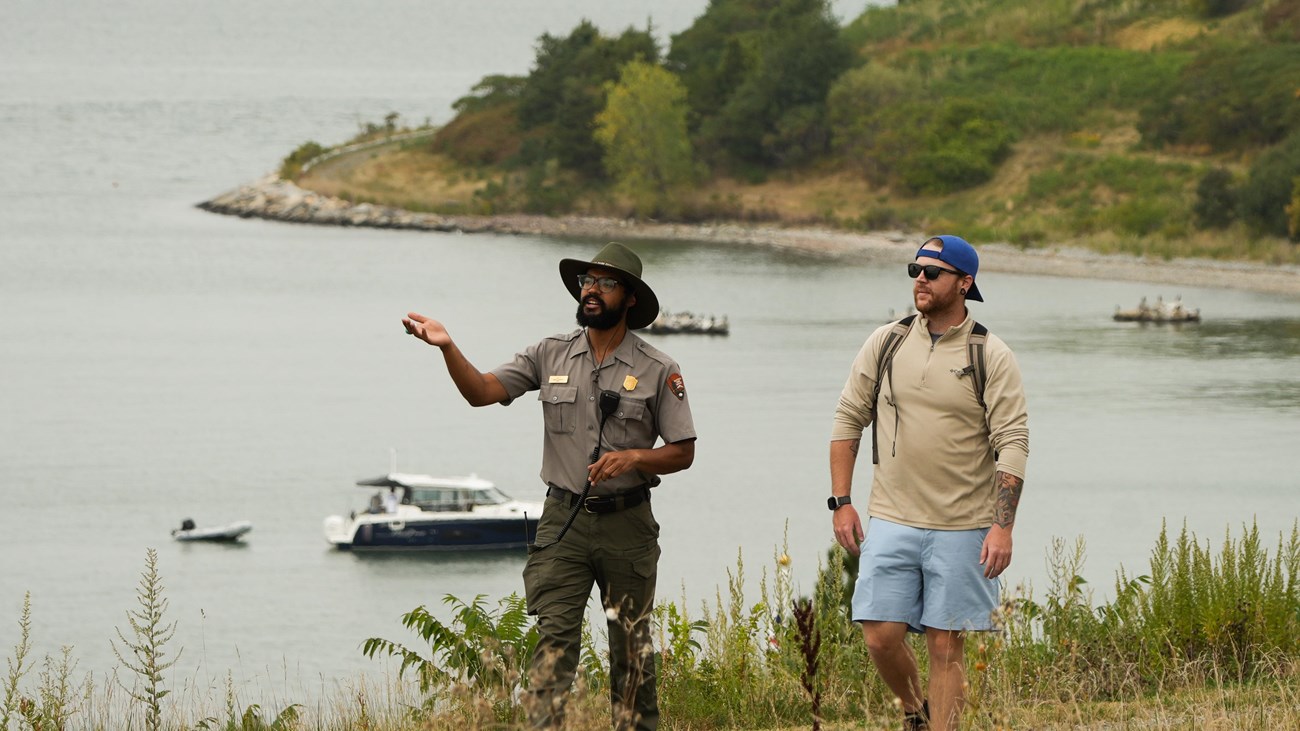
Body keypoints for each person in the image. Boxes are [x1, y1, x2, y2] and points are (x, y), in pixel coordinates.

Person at [402, 242, 696, 730]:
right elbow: (481, 392)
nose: (591, 290)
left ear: (629, 299)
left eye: (605, 283)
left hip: (628, 524)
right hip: (563, 523)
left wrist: (635, 456)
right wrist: (448, 347)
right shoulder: (549, 352)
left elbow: (683, 451)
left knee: (631, 655)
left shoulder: (658, 367)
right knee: (553, 646)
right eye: (587, 281)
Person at [828, 235, 1029, 731]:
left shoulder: (991, 354)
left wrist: (1002, 528)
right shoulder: (887, 340)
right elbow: (847, 420)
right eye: (915, 269)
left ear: (965, 283)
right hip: (892, 516)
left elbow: (1013, 443)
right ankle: (917, 710)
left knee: (945, 644)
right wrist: (841, 502)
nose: (920, 278)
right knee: (879, 634)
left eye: (933, 272)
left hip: (964, 525)